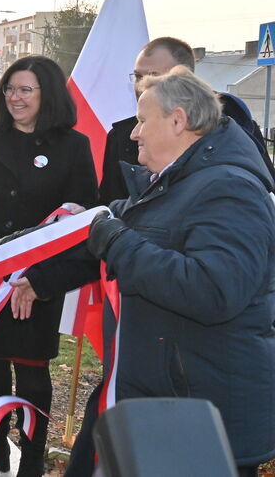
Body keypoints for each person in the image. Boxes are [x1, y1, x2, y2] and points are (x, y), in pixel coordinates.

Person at [86, 68, 275, 476]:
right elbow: (101, 227)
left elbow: (214, 291)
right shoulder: (170, 185)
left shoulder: (230, 189)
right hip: (171, 408)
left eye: (141, 120)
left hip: (205, 421)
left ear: (177, 120)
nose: (134, 134)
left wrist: (118, 242)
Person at [0, 56, 98, 477]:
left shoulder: (72, 145)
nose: (15, 97)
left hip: (35, 278)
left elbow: (81, 221)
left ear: (47, 95)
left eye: (26, 89)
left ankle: (31, 461)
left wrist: (40, 279)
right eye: (10, 88)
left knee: (32, 374)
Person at [100, 36, 274, 203]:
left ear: (185, 78)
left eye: (154, 75)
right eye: (138, 76)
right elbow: (110, 203)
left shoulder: (234, 131)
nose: (141, 85)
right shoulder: (121, 135)